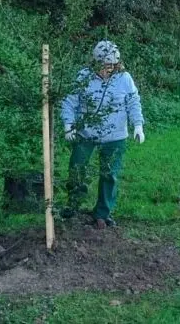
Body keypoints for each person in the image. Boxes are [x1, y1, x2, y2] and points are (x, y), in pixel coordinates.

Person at [60, 40, 144, 229]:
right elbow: (70, 101)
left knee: (110, 174)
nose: (108, 70)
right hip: (85, 133)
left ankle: (103, 213)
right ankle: (73, 206)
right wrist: (68, 124)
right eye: (104, 66)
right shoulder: (84, 76)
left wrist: (138, 125)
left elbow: (133, 102)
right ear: (95, 62)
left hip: (115, 135)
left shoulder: (124, 78)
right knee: (77, 169)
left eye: (111, 66)